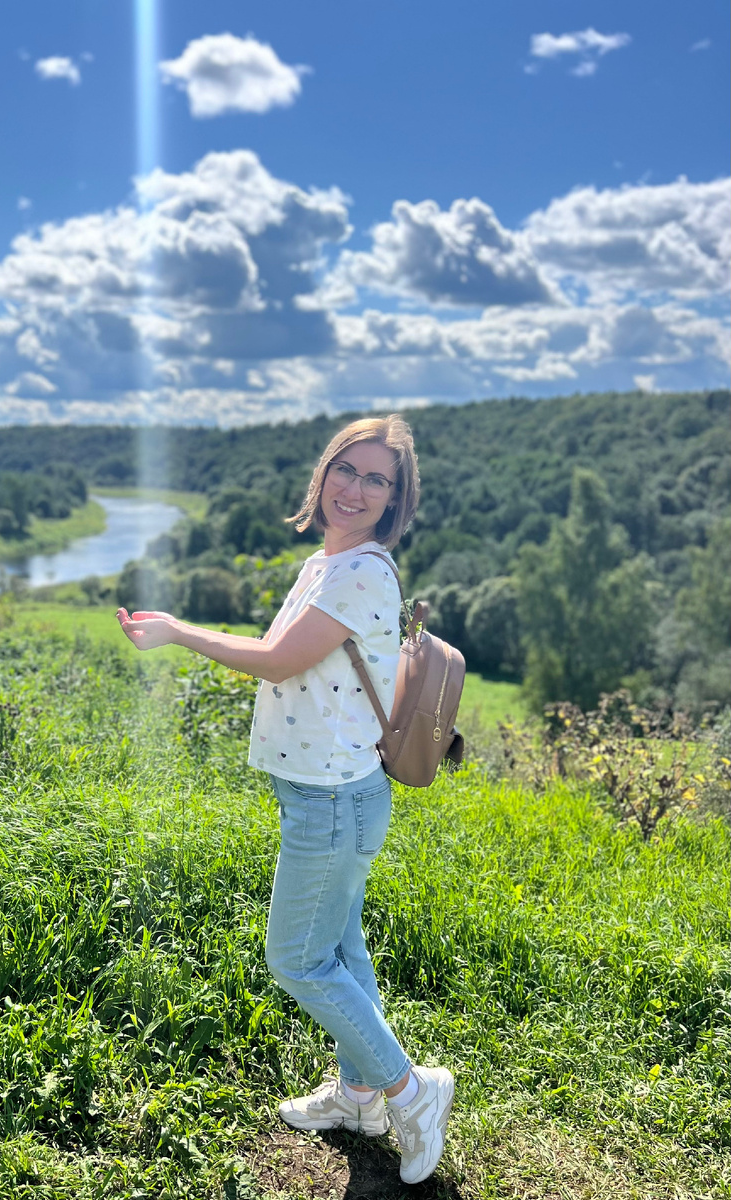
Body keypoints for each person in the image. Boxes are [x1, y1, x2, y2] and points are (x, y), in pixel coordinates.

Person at [117, 415, 454, 1185]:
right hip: (328, 792)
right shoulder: (324, 563)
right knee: (341, 951)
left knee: (297, 960)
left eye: (376, 480)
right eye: (347, 469)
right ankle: (360, 1099)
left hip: (332, 800)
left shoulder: (362, 572)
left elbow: (275, 661)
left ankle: (410, 1090)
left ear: (394, 499)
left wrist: (176, 631)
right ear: (323, 472)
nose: (355, 489)